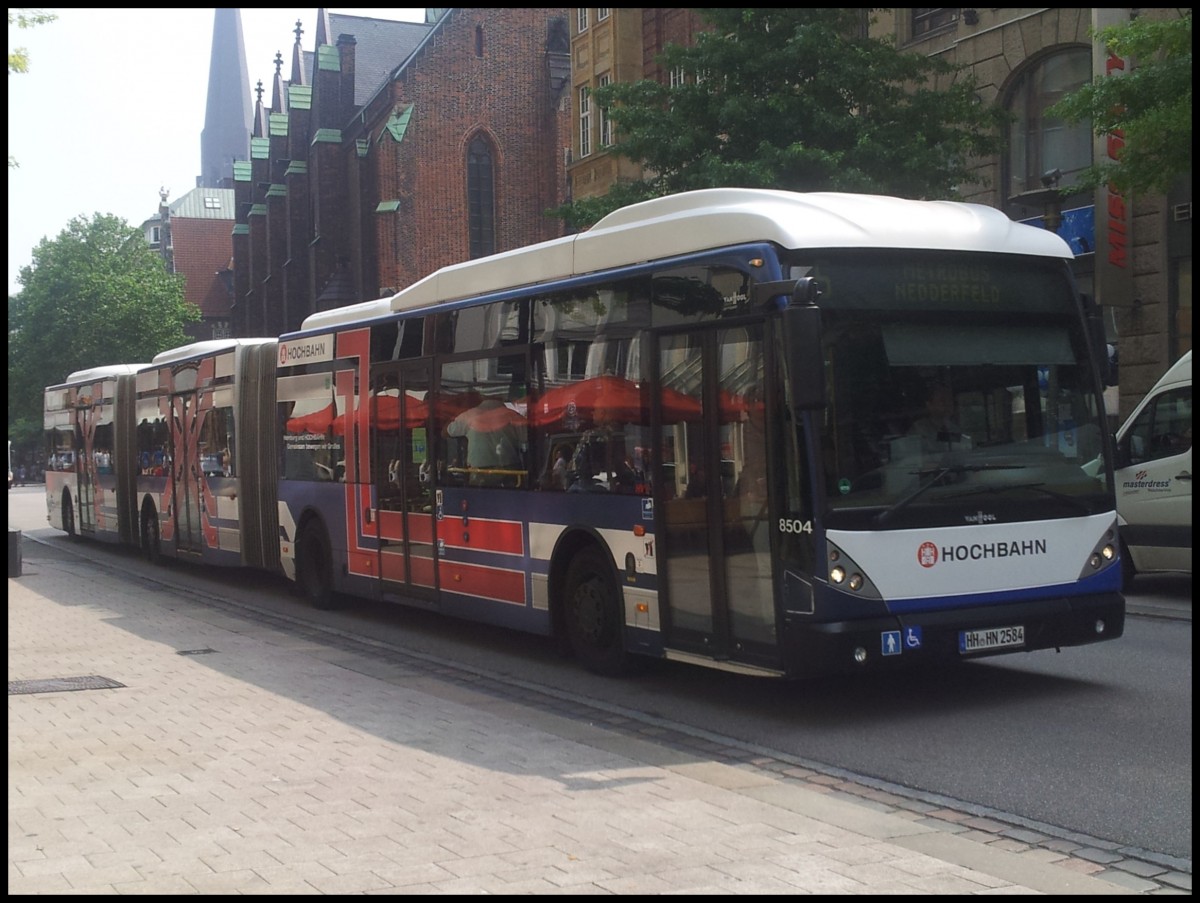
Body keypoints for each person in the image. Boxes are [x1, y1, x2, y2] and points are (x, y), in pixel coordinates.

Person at [909, 381, 969, 451]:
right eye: (942, 400)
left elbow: (964, 450)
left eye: (950, 400)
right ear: (929, 405)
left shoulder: (955, 429)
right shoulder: (919, 429)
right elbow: (912, 456)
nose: (948, 404)